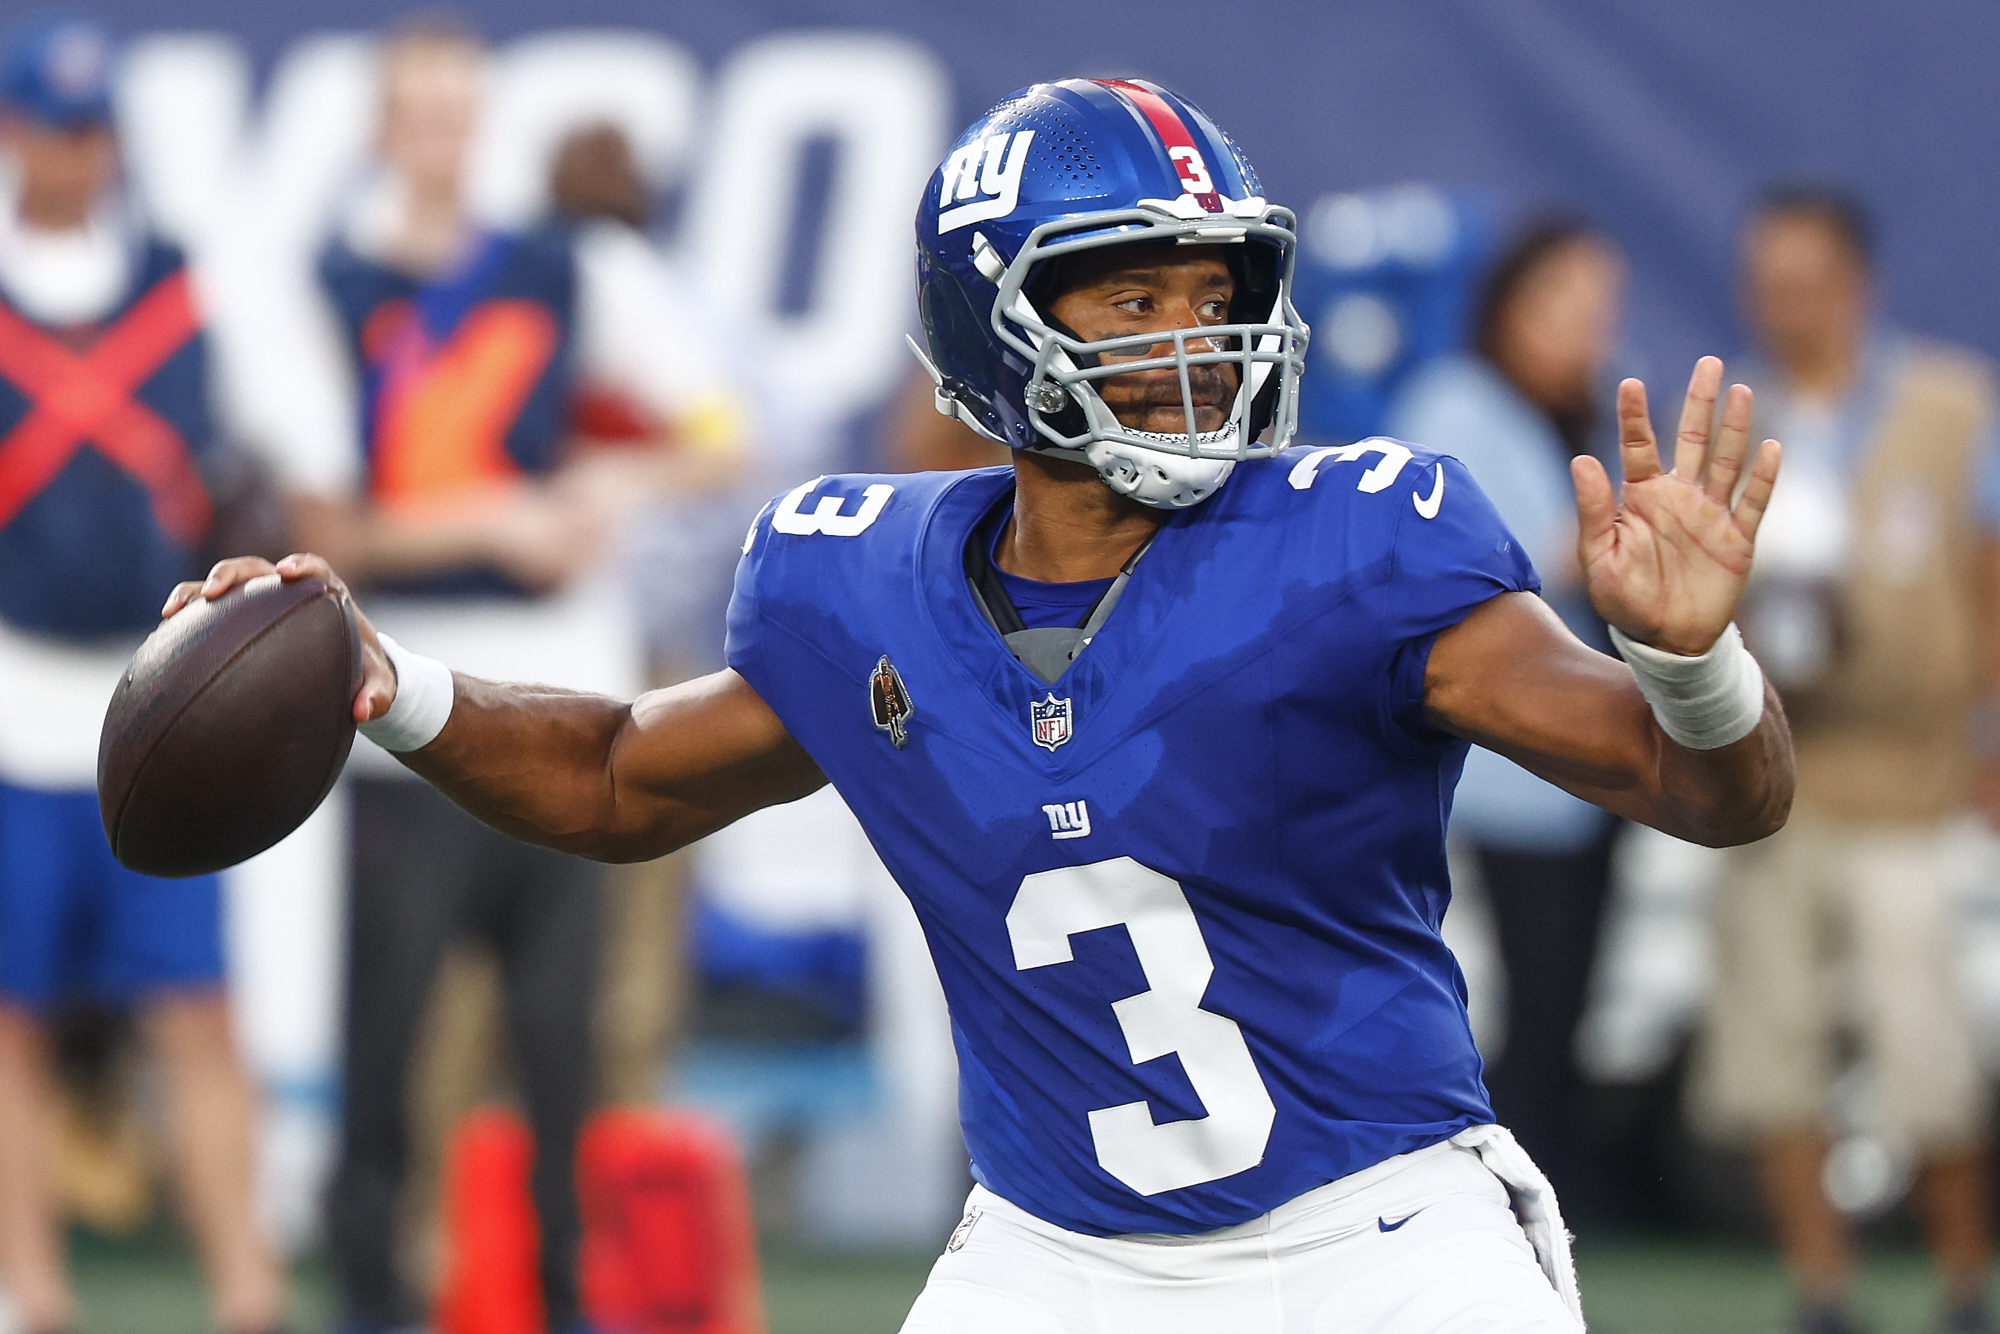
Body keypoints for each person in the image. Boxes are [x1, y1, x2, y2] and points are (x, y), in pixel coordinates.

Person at [177, 78, 1792, 1333]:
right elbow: (611, 776)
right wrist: (391, 686)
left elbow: (1704, 784)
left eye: (1213, 287)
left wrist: (1691, 658)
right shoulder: (858, 582)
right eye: (1128, 298)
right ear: (989, 326)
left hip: (1374, 1242)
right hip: (1056, 1251)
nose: (1193, 339)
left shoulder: (1353, 541)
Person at [294, 22, 626, 1334]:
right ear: (383, 129)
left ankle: (562, 1299)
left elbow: (718, 424)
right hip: (405, 690)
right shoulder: (331, 282)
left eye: (457, 108)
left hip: (563, 697)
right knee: (385, 1039)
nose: (440, 134)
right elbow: (331, 529)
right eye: (416, 111)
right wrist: (500, 517)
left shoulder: (557, 269)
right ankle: (369, 1299)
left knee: (562, 1047)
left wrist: (612, 482)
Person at [0, 14, 286, 1334]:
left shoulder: (190, 285)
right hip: (10, 701)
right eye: (51, 127)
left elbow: (289, 455)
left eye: (91, 127)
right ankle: (33, 1292)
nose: (74, 153)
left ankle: (245, 1288)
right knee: (11, 1024)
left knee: (197, 1009)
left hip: (155, 708)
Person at [1690, 185, 1999, 1334]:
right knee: (1770, 1046)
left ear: (1854, 284)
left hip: (1908, 783)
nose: (1787, 303)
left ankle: (1964, 1282)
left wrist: (1988, 740)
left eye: (1806, 279)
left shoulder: (1949, 405)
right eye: (1766, 281)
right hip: (1771, 779)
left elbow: (1986, 577)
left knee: (1929, 1052)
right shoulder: (1732, 414)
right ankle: (1821, 1287)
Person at [1385, 218, 1627, 1208]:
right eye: (1564, 306)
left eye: (1597, 311)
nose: (1585, 332)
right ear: (1507, 306)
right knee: (1498, 1003)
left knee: (1562, 1001)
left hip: (1582, 765)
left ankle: (1539, 1200)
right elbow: (1440, 561)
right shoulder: (1454, 403)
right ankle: (1490, 1205)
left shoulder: (1566, 416)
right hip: (1493, 767)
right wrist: (1596, 548)